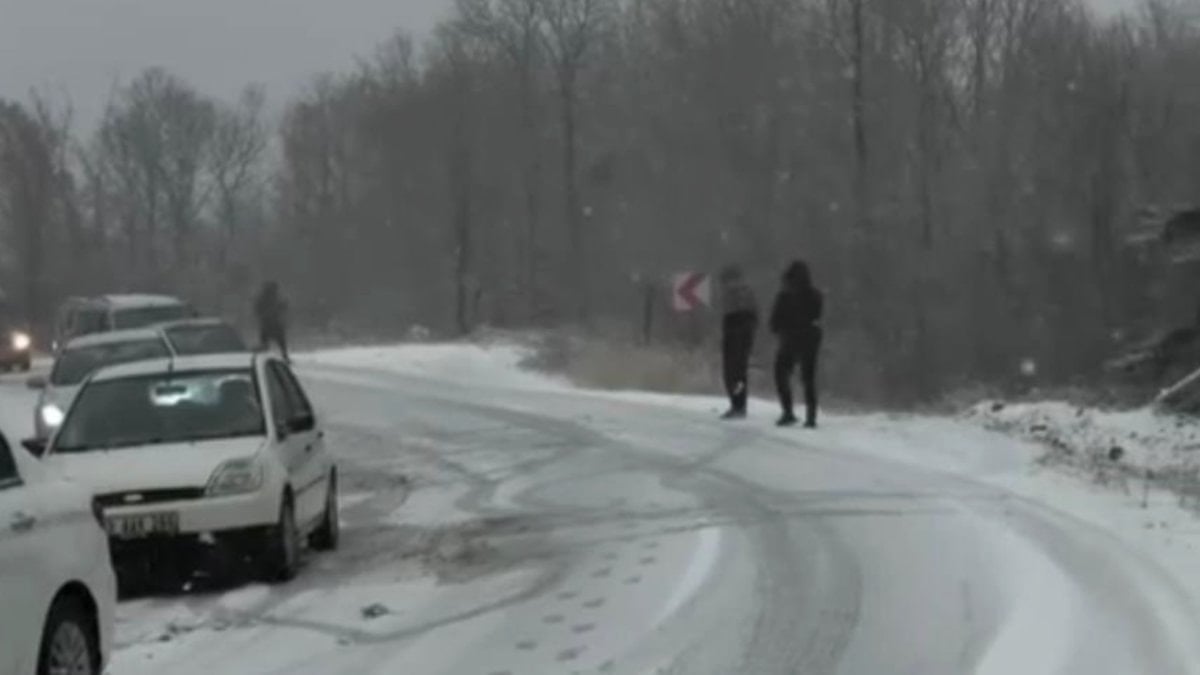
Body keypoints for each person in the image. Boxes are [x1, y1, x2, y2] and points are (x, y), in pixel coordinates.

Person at [769, 260, 824, 428]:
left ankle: (788, 411)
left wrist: (780, 329)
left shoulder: (785, 296)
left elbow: (774, 322)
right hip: (810, 338)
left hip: (790, 339)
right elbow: (817, 315)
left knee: (781, 373)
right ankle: (811, 416)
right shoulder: (815, 295)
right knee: (808, 378)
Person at [718, 265, 759, 419]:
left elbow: (744, 316)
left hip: (737, 335)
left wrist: (739, 333)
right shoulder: (742, 293)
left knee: (735, 373)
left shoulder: (739, 294)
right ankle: (737, 404)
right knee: (734, 373)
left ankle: (738, 405)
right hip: (737, 334)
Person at [254, 281, 290, 362]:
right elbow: (281, 308)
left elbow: (257, 310)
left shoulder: (266, 298)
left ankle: (265, 358)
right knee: (280, 342)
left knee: (268, 343)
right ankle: (283, 356)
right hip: (272, 324)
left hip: (269, 324)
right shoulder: (270, 299)